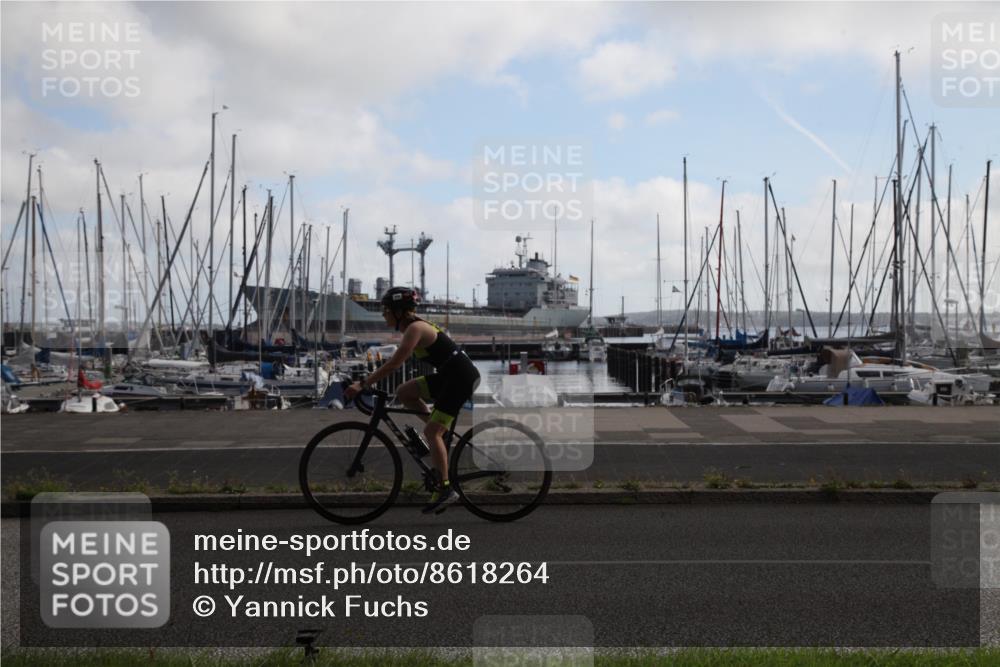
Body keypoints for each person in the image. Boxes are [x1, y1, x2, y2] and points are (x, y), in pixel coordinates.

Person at [345, 287, 480, 514]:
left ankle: (446, 488)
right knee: (404, 392)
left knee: (431, 433)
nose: (383, 314)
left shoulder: (415, 329)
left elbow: (395, 364)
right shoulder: (413, 326)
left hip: (461, 379)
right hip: (449, 376)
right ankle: (437, 432)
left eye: (386, 310)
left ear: (398, 311)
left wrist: (363, 384)